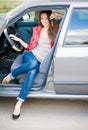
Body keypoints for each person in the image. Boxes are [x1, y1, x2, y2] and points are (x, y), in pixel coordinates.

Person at [2, 10, 63, 119]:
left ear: (50, 18)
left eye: (46, 18)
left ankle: (18, 100)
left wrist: (57, 14)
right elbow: (30, 47)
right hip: (31, 54)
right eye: (42, 18)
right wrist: (19, 40)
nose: (44, 21)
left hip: (42, 60)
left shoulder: (55, 28)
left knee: (32, 71)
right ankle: (13, 82)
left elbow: (68, 19)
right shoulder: (37, 29)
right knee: (33, 64)